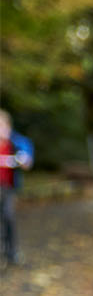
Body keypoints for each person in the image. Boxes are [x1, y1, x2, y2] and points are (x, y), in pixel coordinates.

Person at [0, 109, 34, 266]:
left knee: (8, 216)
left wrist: (23, 159)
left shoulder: (16, 142)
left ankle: (12, 251)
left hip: (7, 187)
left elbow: (27, 157)